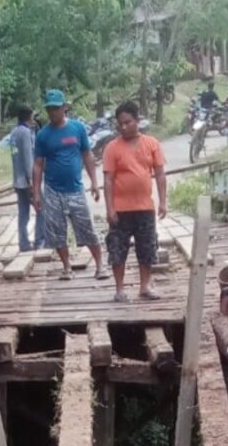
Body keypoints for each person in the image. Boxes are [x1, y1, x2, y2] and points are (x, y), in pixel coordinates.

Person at [32, 89, 108, 280]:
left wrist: (94, 182)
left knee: (86, 227)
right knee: (56, 231)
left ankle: (100, 265)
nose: (53, 112)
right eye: (49, 109)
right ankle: (67, 267)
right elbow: (38, 165)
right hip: (52, 190)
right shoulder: (42, 135)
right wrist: (36, 193)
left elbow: (87, 155)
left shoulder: (77, 128)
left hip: (75, 189)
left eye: (56, 108)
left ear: (64, 107)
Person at [102, 100, 167, 302]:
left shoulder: (151, 143)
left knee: (147, 247)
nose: (123, 127)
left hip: (145, 207)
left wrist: (163, 202)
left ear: (137, 120)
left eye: (127, 122)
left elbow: (160, 174)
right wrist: (109, 208)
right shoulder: (112, 148)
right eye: (120, 124)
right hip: (120, 209)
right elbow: (108, 180)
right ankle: (119, 289)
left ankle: (145, 286)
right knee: (117, 248)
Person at [10, 105, 45, 251]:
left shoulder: (14, 132)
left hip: (17, 179)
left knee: (23, 213)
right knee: (42, 209)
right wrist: (32, 181)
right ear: (28, 116)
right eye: (33, 116)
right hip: (26, 181)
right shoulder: (25, 133)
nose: (34, 118)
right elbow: (27, 157)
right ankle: (39, 241)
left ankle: (23, 243)